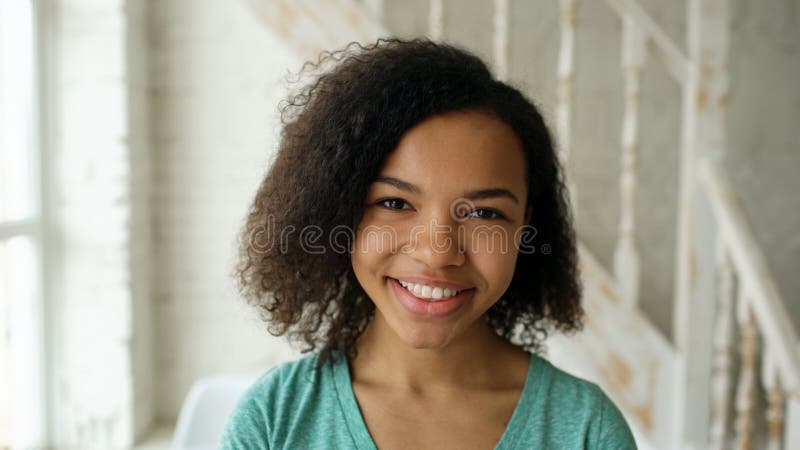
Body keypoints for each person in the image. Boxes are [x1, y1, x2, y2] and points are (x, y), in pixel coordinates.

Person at [220, 38, 637, 449]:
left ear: (524, 227)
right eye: (395, 202)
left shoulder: (588, 432)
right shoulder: (272, 422)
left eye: (485, 213)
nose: (437, 254)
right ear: (338, 211)